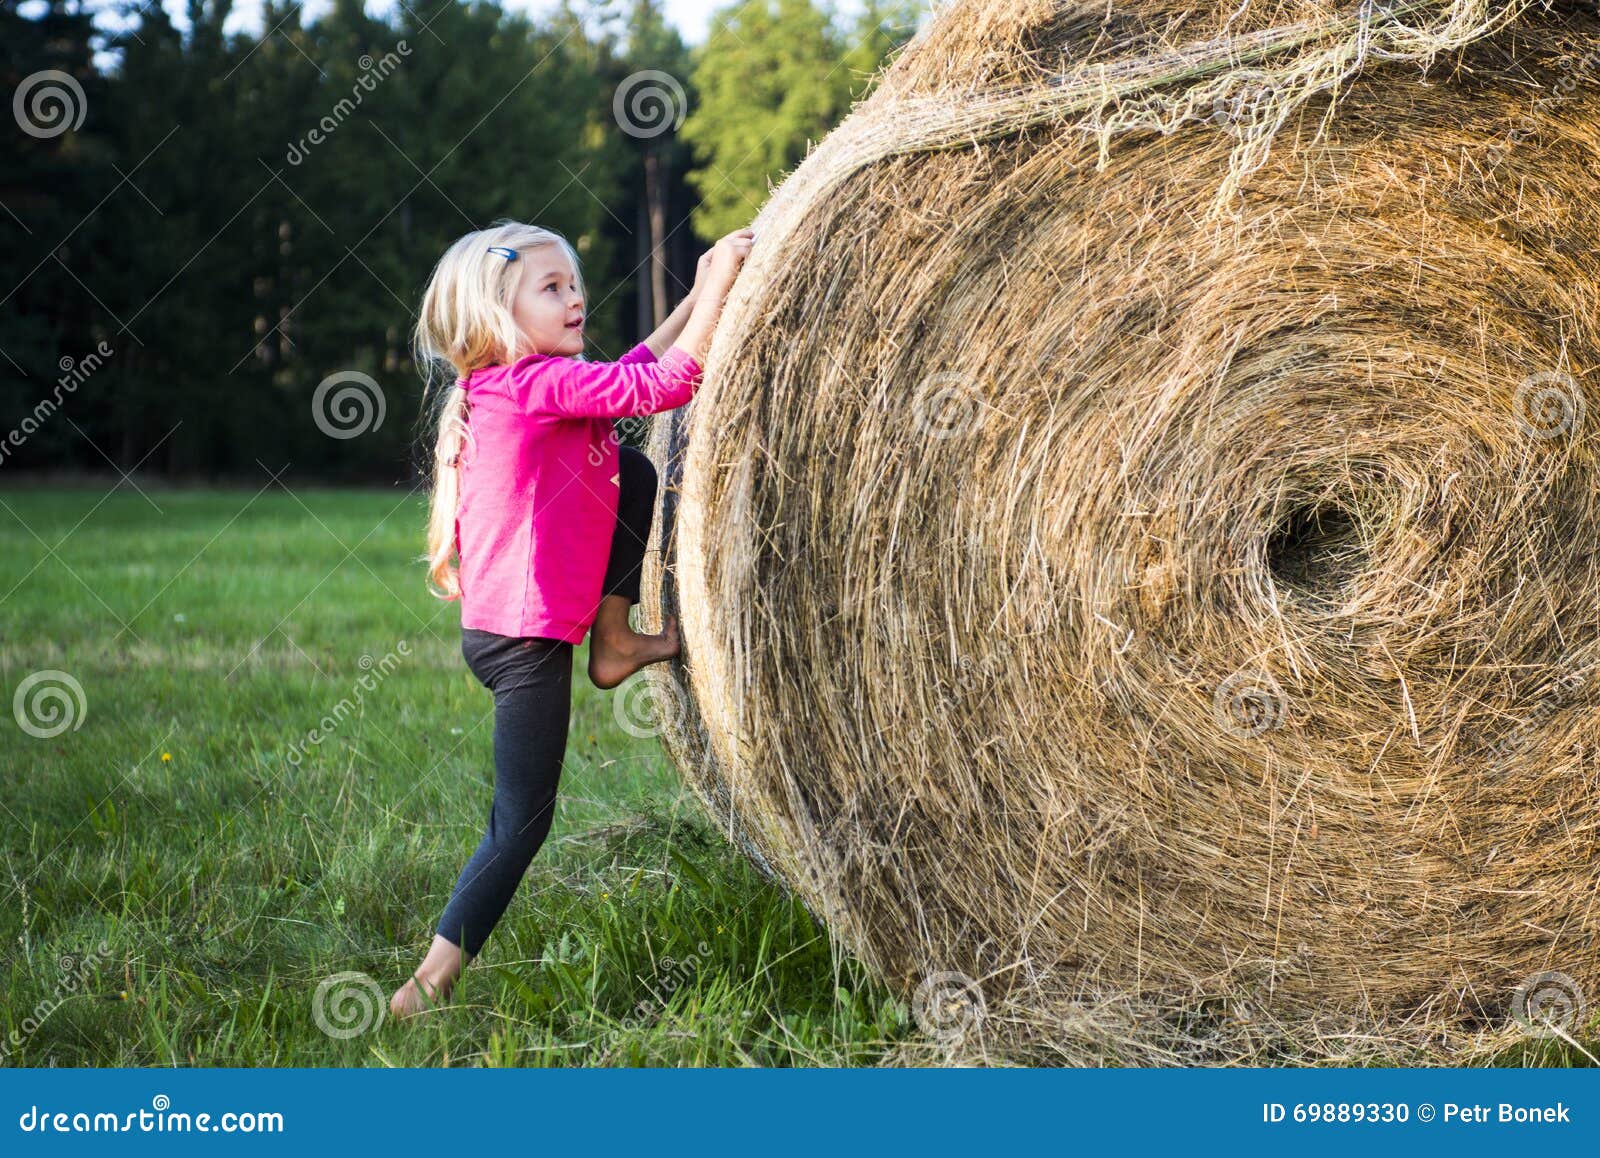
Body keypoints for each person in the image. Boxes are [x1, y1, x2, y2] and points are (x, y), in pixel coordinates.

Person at [392, 218, 754, 1019]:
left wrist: (696, 296)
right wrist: (722, 285)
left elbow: (629, 374)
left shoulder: (524, 385)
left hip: (514, 634)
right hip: (522, 645)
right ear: (497, 314)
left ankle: (617, 639)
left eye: (574, 282)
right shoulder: (531, 387)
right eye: (551, 288)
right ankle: (425, 986)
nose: (575, 296)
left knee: (628, 464)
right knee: (521, 823)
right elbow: (665, 388)